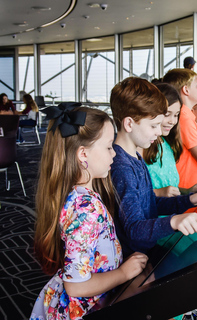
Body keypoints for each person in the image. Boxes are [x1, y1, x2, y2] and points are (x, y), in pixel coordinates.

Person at [30, 103, 148, 320]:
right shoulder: (86, 210)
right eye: (108, 147)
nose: (115, 153)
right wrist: (122, 273)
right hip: (82, 309)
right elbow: (76, 286)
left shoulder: (80, 196)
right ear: (83, 154)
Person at [109, 77, 197, 258]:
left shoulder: (134, 157)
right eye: (153, 126)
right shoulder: (122, 169)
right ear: (129, 124)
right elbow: (134, 229)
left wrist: (189, 200)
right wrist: (174, 221)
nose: (159, 132)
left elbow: (151, 204)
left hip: (145, 249)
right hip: (136, 256)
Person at [143, 82, 197, 197]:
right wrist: (158, 193)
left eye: (176, 115)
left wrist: (187, 191)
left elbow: (169, 189)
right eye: (167, 114)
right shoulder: (143, 146)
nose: (172, 121)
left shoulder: (166, 144)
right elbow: (136, 194)